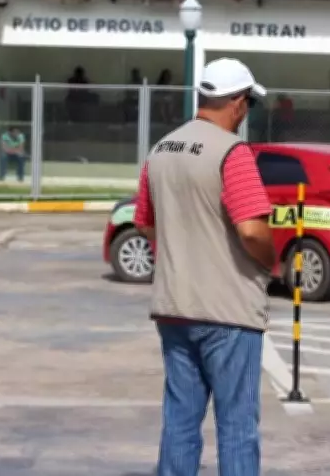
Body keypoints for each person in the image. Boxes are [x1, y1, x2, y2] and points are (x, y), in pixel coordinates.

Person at [134, 57, 275, 476]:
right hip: (228, 312)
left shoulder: (161, 150)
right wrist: (274, 263)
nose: (247, 112)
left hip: (174, 307)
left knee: (180, 420)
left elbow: (144, 223)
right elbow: (252, 231)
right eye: (248, 103)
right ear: (237, 102)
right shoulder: (233, 152)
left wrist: (182, 255)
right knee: (236, 426)